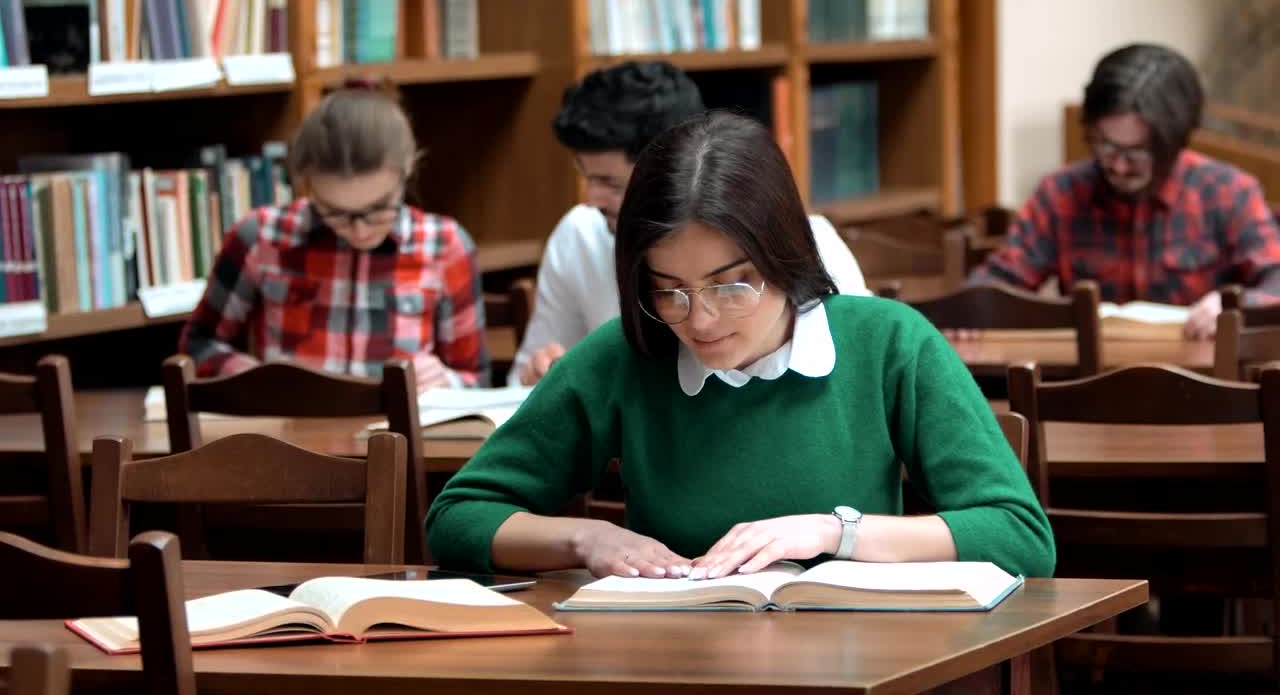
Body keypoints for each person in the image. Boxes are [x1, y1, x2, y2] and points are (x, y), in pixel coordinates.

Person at [427, 111, 1054, 581]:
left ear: (785, 257)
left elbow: (1020, 536)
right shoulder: (625, 353)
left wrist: (835, 533)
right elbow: (457, 517)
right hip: (674, 663)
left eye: (731, 287)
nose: (699, 321)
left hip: (859, 664)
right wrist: (583, 539)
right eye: (668, 289)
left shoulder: (888, 342)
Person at [512, 60, 870, 385]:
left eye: (611, 184)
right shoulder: (579, 234)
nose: (591, 199)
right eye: (668, 290)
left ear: (674, 174)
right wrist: (540, 376)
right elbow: (529, 378)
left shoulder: (799, 240)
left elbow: (857, 364)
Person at [180, 85, 489, 388]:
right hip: (289, 432)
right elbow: (198, 344)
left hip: (398, 435)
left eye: (379, 208)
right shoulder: (261, 238)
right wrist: (253, 376)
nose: (360, 229)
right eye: (335, 212)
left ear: (406, 172)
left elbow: (476, 378)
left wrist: (446, 381)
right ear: (307, 184)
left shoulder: (447, 246)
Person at [970, 43, 1280, 340]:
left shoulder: (1229, 192)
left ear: (1176, 142)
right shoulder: (1061, 193)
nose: (1118, 166)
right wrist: (965, 314)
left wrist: (1234, 307)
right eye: (1106, 146)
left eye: (1138, 152)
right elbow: (999, 282)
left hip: (1205, 383)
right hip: (1089, 384)